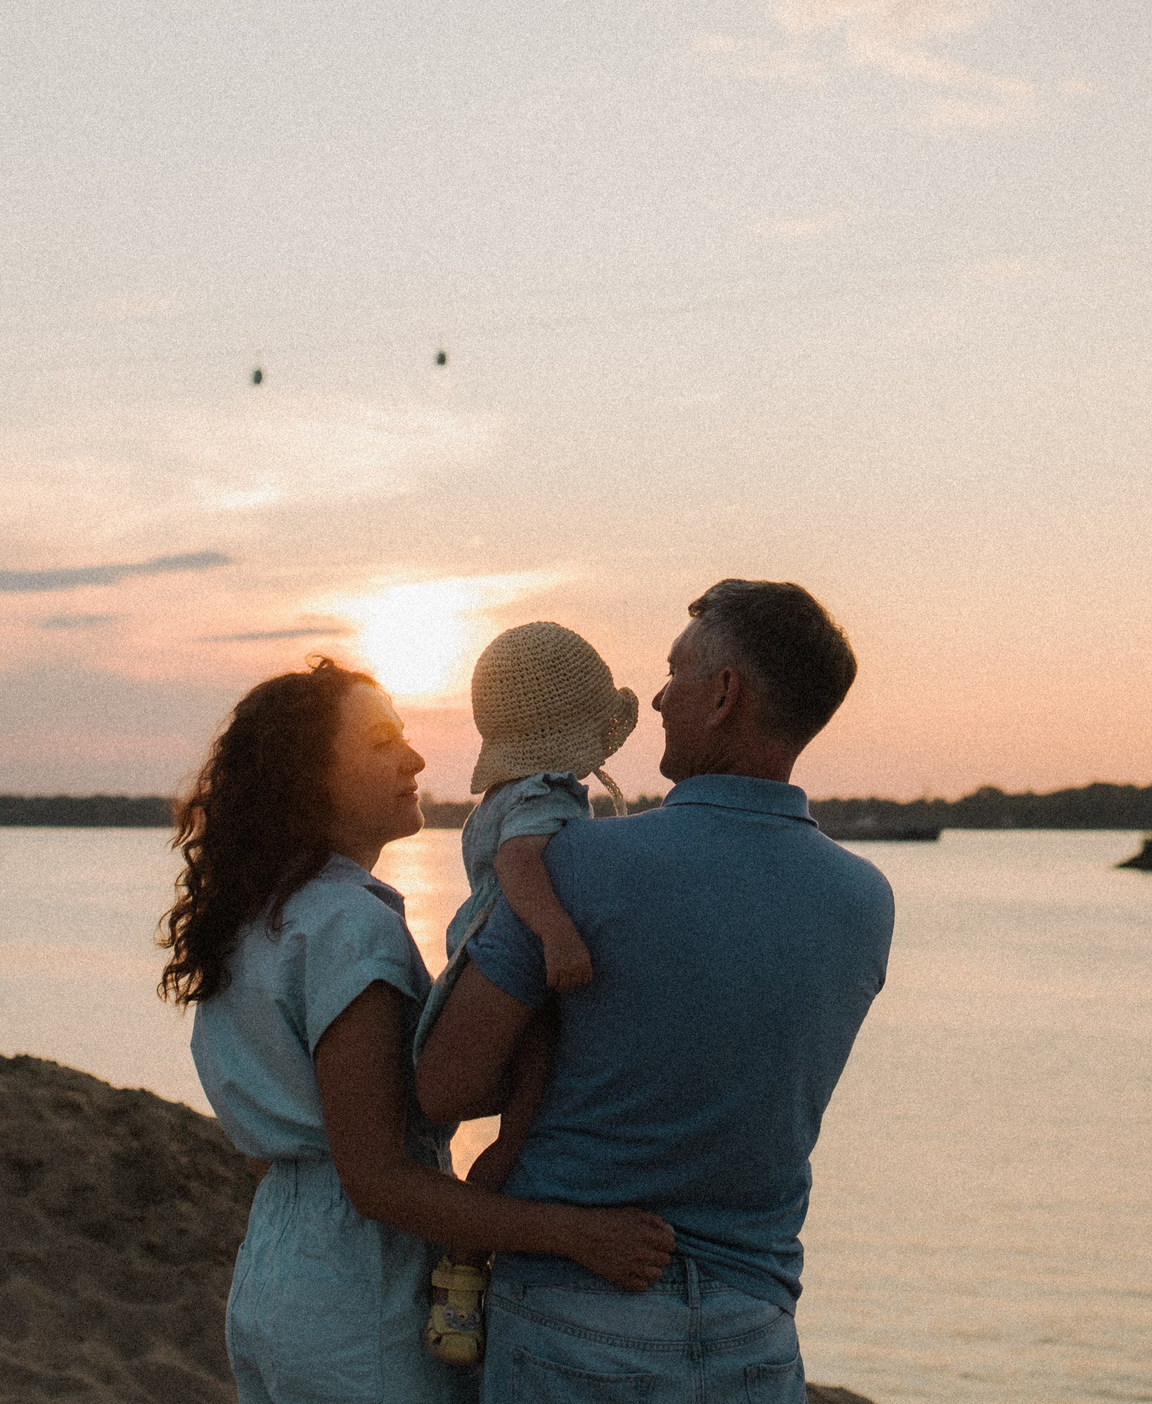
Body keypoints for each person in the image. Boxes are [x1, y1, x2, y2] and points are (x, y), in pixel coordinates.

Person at [415, 581, 895, 1402]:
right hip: (752, 1332)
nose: (662, 698)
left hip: (575, 1322)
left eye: (676, 672)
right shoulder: (865, 902)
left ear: (724, 694)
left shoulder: (575, 864)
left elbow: (443, 1088)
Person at [161, 656, 677, 1404]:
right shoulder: (349, 926)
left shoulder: (250, 922)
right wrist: (576, 1234)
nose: (415, 759)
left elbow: (271, 1153)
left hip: (273, 1271)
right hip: (362, 1292)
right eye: (380, 743)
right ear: (310, 777)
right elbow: (376, 1179)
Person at [411, 622, 641, 1367]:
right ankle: (463, 1274)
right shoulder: (546, 794)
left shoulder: (502, 795)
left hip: (486, 967)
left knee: (518, 1133)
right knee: (521, 1132)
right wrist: (557, 935)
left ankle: (462, 1269)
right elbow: (519, 865)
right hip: (522, 983)